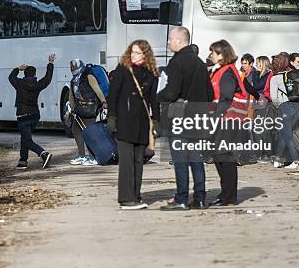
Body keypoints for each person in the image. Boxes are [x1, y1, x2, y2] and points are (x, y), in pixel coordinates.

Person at [157, 27, 213, 211]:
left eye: (170, 39)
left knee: (180, 160)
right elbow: (210, 93)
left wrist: (159, 95)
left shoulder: (177, 62)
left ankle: (182, 199)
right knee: (196, 159)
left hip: (181, 119)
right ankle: (200, 198)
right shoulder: (199, 63)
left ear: (180, 40)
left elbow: (172, 92)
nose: (168, 42)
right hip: (198, 117)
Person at [107, 40, 159, 210]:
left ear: (145, 54)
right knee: (126, 162)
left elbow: (154, 99)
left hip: (142, 123)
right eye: (132, 52)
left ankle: (135, 195)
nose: (133, 55)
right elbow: (113, 94)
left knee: (138, 160)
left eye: (137, 53)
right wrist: (112, 117)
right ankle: (125, 198)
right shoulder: (123, 69)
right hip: (125, 121)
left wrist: (156, 120)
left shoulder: (151, 73)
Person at [208, 40, 249, 207]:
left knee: (224, 157)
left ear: (221, 55)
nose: (210, 55)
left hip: (227, 119)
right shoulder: (221, 70)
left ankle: (229, 196)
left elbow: (226, 97)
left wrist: (215, 117)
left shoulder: (227, 72)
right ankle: (226, 194)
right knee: (220, 156)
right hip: (225, 119)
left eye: (213, 52)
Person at [9, 54, 56, 170]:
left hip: (23, 115)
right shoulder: (37, 84)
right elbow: (47, 79)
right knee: (25, 137)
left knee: (27, 140)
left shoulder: (19, 84)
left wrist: (17, 69)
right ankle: (23, 160)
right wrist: (50, 64)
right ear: (34, 74)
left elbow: (11, 77)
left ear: (24, 74)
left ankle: (43, 154)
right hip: (35, 115)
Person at [269, 54, 299, 169]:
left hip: (285, 107)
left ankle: (295, 160)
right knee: (285, 133)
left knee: (287, 135)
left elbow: (274, 98)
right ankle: (277, 159)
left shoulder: (275, 78)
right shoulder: (293, 75)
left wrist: (280, 106)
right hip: (298, 106)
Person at [69, 59, 106, 166]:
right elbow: (71, 95)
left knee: (89, 133)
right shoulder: (75, 79)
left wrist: (103, 101)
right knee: (76, 130)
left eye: (74, 67)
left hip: (90, 108)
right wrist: (72, 108)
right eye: (72, 67)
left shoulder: (88, 76)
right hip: (80, 109)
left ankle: (93, 157)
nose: (73, 69)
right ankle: (82, 155)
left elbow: (97, 89)